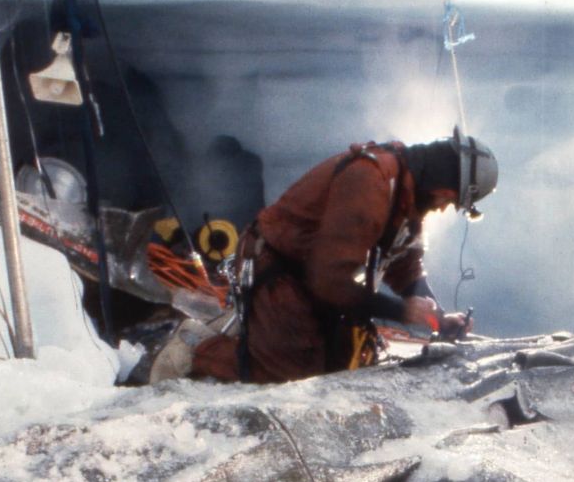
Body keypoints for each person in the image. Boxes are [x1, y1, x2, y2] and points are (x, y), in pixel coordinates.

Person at [190, 131, 497, 383]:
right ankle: (192, 352)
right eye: (450, 201)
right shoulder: (370, 182)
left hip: (317, 279)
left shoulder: (409, 191)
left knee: (344, 368)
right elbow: (330, 281)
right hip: (280, 271)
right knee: (289, 377)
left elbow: (404, 263)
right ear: (443, 187)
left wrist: (438, 317)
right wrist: (404, 312)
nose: (444, 208)